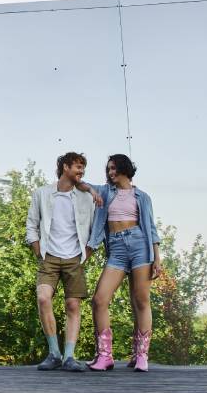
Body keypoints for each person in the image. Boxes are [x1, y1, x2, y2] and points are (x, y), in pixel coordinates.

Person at [84, 154, 161, 372]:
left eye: (114, 169)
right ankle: (105, 356)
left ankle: (141, 356)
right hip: (116, 249)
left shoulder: (142, 197)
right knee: (99, 299)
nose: (110, 173)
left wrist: (157, 258)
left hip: (140, 246)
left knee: (141, 300)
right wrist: (91, 191)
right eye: (108, 169)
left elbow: (151, 229)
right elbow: (81, 183)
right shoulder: (106, 191)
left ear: (124, 169)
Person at [25, 152, 96, 372]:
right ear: (65, 167)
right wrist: (38, 250)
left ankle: (69, 356)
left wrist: (87, 252)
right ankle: (54, 353)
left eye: (83, 168)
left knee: (72, 305)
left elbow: (94, 228)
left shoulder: (86, 197)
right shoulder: (42, 193)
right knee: (43, 299)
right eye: (77, 167)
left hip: (74, 257)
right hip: (49, 257)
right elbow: (31, 224)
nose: (81, 172)